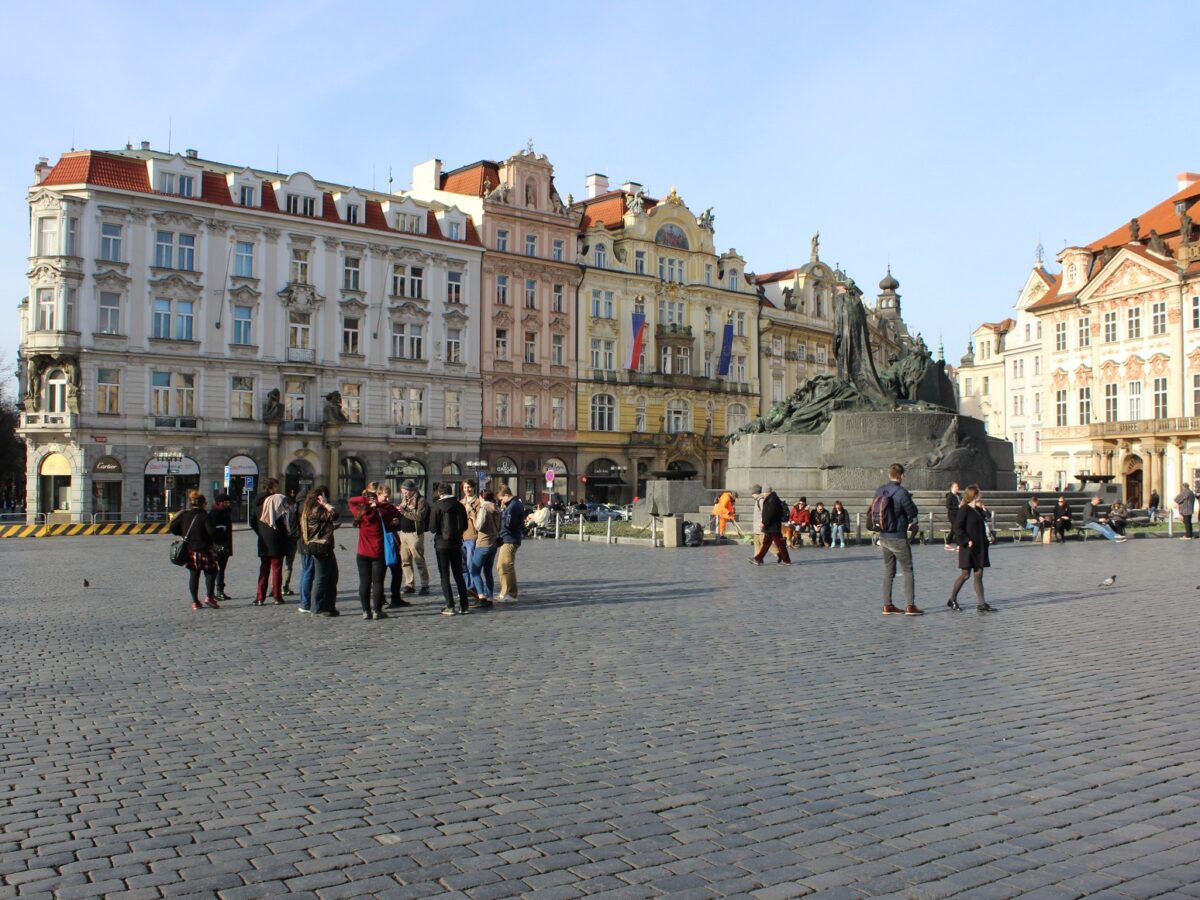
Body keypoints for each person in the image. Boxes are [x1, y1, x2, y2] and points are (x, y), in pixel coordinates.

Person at [347, 483, 401, 620]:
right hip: (378, 553)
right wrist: (377, 504)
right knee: (378, 583)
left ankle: (366, 611)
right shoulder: (383, 513)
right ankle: (377, 611)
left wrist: (366, 500)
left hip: (362, 552)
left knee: (364, 582)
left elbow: (351, 500)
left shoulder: (360, 512)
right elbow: (393, 509)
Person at [875, 463, 922, 616]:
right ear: (901, 476)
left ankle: (887, 605)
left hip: (883, 536)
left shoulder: (880, 490)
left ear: (889, 475)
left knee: (889, 571)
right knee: (908, 570)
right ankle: (910, 606)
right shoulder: (901, 492)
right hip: (898, 536)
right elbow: (913, 511)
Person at [946, 484, 996, 613]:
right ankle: (952, 599)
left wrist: (983, 508)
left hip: (979, 547)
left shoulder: (977, 510)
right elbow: (957, 527)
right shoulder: (964, 510)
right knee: (965, 575)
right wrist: (965, 540)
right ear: (973, 495)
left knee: (979, 574)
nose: (980, 495)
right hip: (968, 547)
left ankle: (981, 603)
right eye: (978, 493)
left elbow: (987, 516)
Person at [169, 490, 220, 611]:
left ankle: (195, 602)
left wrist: (183, 532)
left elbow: (173, 527)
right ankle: (209, 597)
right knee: (211, 572)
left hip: (190, 550)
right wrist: (220, 531)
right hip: (204, 549)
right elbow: (211, 532)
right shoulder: (204, 516)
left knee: (194, 575)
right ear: (203, 504)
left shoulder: (185, 514)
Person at [430, 482, 471, 615]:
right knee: (458, 574)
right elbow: (465, 526)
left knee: (444, 576)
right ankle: (464, 606)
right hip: (456, 544)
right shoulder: (459, 505)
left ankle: (450, 606)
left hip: (442, 544)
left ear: (439, 492)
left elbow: (433, 528)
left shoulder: (436, 506)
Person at [300, 485, 340, 617]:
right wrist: (326, 504)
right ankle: (317, 607)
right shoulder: (316, 509)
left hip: (322, 545)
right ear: (318, 498)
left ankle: (328, 605)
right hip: (321, 546)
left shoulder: (310, 509)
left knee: (331, 576)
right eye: (324, 496)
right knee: (322, 577)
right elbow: (334, 515)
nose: (326, 498)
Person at [374, 485, 411, 610]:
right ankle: (381, 599)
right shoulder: (375, 509)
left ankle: (395, 598)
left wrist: (397, 520)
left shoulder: (389, 507)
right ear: (378, 495)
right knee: (380, 574)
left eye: (389, 496)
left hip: (392, 543)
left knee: (397, 572)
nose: (388, 499)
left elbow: (398, 523)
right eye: (385, 496)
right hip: (380, 545)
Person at [252, 479, 289, 605]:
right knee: (277, 569)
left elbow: (252, 521)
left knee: (264, 569)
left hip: (263, 540)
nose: (278, 490)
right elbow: (283, 521)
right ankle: (277, 597)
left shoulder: (257, 502)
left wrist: (260, 532)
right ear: (271, 488)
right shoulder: (277, 500)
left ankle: (260, 597)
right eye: (276, 487)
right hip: (277, 539)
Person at [394, 479, 430, 601]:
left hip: (415, 534)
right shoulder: (405, 499)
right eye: (402, 491)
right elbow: (403, 513)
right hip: (403, 533)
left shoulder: (421, 500)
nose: (403, 493)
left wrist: (403, 512)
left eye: (405, 491)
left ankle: (425, 585)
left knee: (418, 559)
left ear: (411, 490)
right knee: (405, 560)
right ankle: (409, 584)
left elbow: (419, 516)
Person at [468, 490, 501, 608]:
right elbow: (499, 526)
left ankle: (481, 597)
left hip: (483, 543)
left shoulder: (484, 508)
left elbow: (478, 526)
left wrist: (473, 517)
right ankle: (490, 597)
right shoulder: (496, 508)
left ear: (482, 497)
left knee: (474, 571)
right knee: (488, 572)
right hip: (493, 544)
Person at [497, 486, 526, 602]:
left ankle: (507, 593)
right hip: (510, 538)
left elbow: (510, 524)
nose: (501, 501)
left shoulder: (513, 506)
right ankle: (511, 592)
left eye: (501, 499)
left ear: (505, 495)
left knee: (503, 566)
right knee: (507, 566)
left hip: (510, 539)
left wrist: (503, 515)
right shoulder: (515, 504)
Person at [749, 485, 791, 565]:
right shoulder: (770, 499)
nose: (763, 494)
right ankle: (758, 559)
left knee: (779, 544)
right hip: (771, 526)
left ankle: (786, 559)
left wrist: (764, 522)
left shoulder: (772, 500)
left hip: (773, 527)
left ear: (768, 492)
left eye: (764, 492)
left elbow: (769, 513)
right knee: (766, 544)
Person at [210, 492, 233, 602]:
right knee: (218, 568)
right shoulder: (215, 513)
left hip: (225, 544)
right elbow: (212, 531)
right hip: (217, 545)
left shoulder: (225, 512)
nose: (228, 504)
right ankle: (218, 591)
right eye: (226, 502)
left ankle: (219, 590)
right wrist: (222, 529)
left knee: (221, 568)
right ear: (220, 503)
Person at [460, 479, 481, 586]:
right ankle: (466, 586)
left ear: (473, 488)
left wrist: (470, 510)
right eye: (465, 487)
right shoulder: (460, 503)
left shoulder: (478, 502)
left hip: (472, 536)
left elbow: (480, 520)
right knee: (462, 565)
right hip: (461, 537)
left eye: (469, 487)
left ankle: (473, 586)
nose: (467, 489)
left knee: (470, 563)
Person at [281, 490, 300, 597]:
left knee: (277, 565)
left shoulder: (278, 512)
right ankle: (284, 587)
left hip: (280, 540)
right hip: (291, 540)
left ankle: (275, 587)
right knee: (288, 564)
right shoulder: (294, 512)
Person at [943, 482, 962, 550]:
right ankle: (958, 545)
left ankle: (947, 544)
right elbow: (948, 506)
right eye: (956, 487)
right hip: (952, 515)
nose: (958, 488)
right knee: (956, 529)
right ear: (952, 488)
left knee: (953, 530)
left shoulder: (959, 495)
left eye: (958, 486)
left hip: (958, 514)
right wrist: (958, 506)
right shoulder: (950, 496)